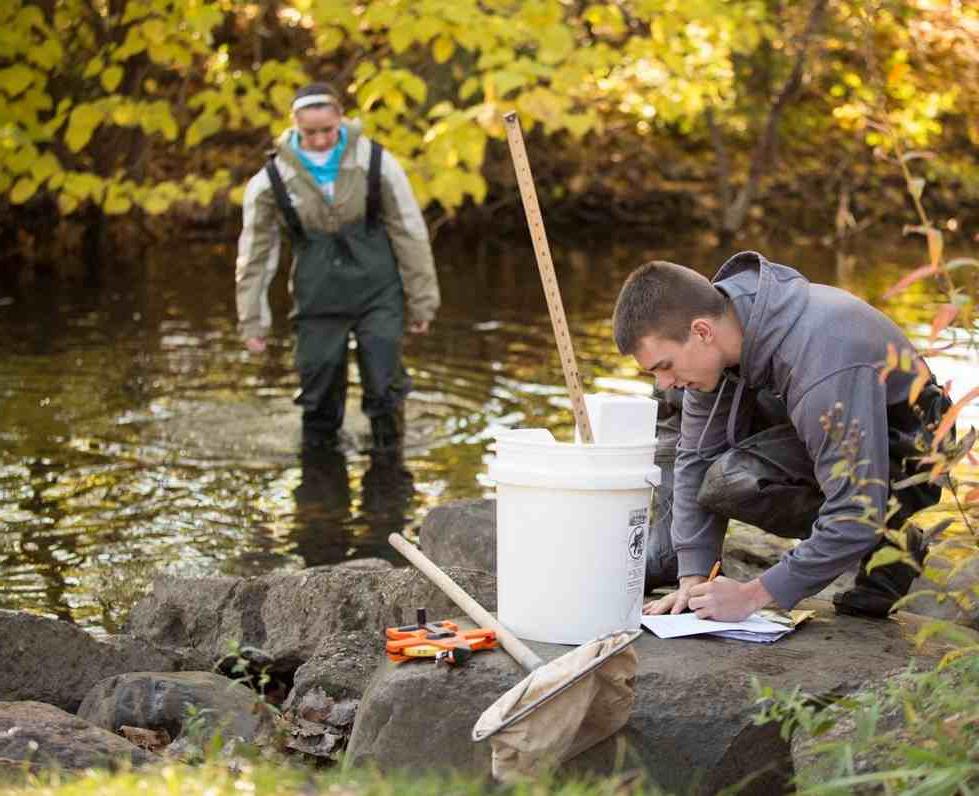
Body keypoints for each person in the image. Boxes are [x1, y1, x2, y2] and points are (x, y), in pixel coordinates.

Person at [612, 251, 951, 621]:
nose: (663, 378)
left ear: (702, 332)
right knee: (673, 403)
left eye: (665, 365)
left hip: (907, 453)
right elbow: (696, 454)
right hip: (827, 420)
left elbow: (857, 508)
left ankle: (890, 536)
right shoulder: (730, 326)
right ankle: (676, 552)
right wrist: (694, 575)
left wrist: (755, 594)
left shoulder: (821, 355)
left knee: (733, 481)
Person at [235, 82, 439, 452]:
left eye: (328, 130)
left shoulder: (375, 162)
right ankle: (319, 484)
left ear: (341, 120)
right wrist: (253, 320)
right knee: (319, 386)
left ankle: (390, 472)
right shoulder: (271, 180)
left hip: (378, 292)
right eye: (309, 133)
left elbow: (409, 232)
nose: (319, 140)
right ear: (295, 125)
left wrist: (422, 300)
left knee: (384, 383)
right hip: (317, 297)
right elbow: (256, 255)